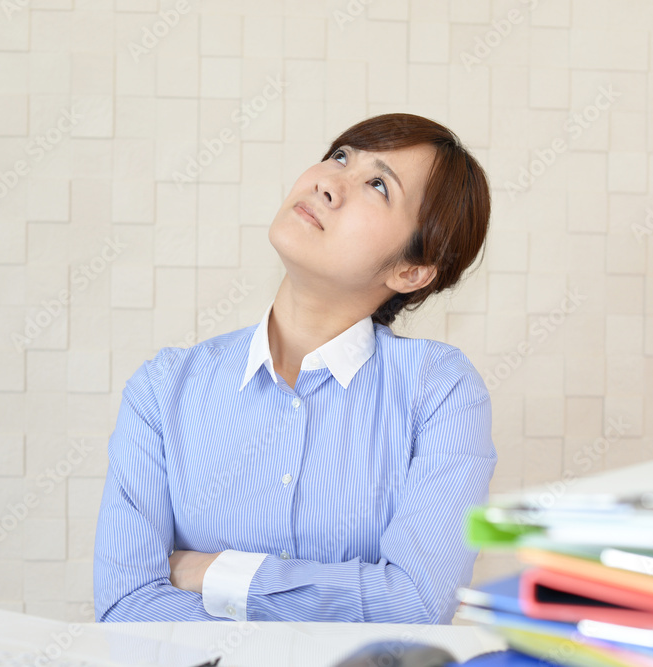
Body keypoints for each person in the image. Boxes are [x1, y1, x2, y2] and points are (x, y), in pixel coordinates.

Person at [94, 112, 496, 624]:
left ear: (410, 271)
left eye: (378, 185)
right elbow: (125, 607)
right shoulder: (163, 389)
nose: (328, 183)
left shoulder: (441, 392)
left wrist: (218, 573)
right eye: (340, 157)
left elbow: (416, 604)